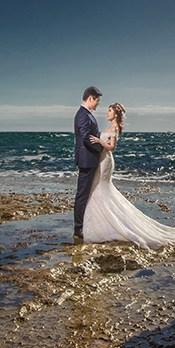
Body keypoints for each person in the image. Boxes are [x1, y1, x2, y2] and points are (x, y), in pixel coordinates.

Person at [82, 103, 175, 248]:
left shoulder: (114, 128)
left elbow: (112, 147)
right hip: (102, 160)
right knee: (97, 188)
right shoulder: (111, 127)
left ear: (116, 114)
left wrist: (99, 141)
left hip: (106, 161)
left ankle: (107, 225)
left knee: (101, 188)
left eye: (109, 111)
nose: (107, 113)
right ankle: (99, 222)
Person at [73, 86, 105, 241]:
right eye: (97, 100)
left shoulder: (87, 114)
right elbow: (86, 137)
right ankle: (78, 228)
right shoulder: (82, 114)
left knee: (86, 193)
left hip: (89, 159)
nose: (98, 103)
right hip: (86, 160)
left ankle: (84, 224)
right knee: (82, 194)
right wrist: (101, 148)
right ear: (90, 98)